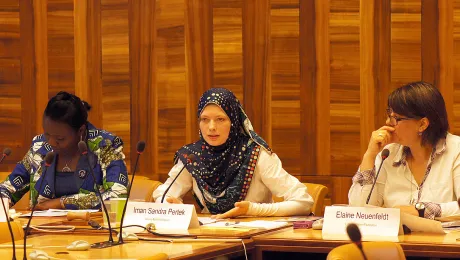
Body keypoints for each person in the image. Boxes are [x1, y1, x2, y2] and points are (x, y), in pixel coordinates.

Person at [152, 88, 313, 218]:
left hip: (251, 244)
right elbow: (162, 194)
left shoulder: (256, 154)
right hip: (207, 240)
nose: (211, 127)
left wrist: (252, 210)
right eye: (205, 119)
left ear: (234, 121)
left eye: (220, 119)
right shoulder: (193, 156)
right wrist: (174, 209)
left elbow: (303, 202)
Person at [349, 81, 460, 219]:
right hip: (396, 239)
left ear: (422, 124)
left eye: (396, 118)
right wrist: (369, 155)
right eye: (389, 115)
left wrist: (421, 210)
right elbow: (358, 210)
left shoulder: (456, 151)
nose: (388, 122)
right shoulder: (387, 154)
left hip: (443, 239)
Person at [0, 91, 128, 210]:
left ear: (81, 131)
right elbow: (8, 188)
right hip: (41, 231)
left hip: (92, 230)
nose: (50, 142)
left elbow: (118, 197)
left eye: (59, 138)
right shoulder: (40, 147)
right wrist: (3, 202)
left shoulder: (105, 145)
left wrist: (61, 202)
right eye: (47, 134)